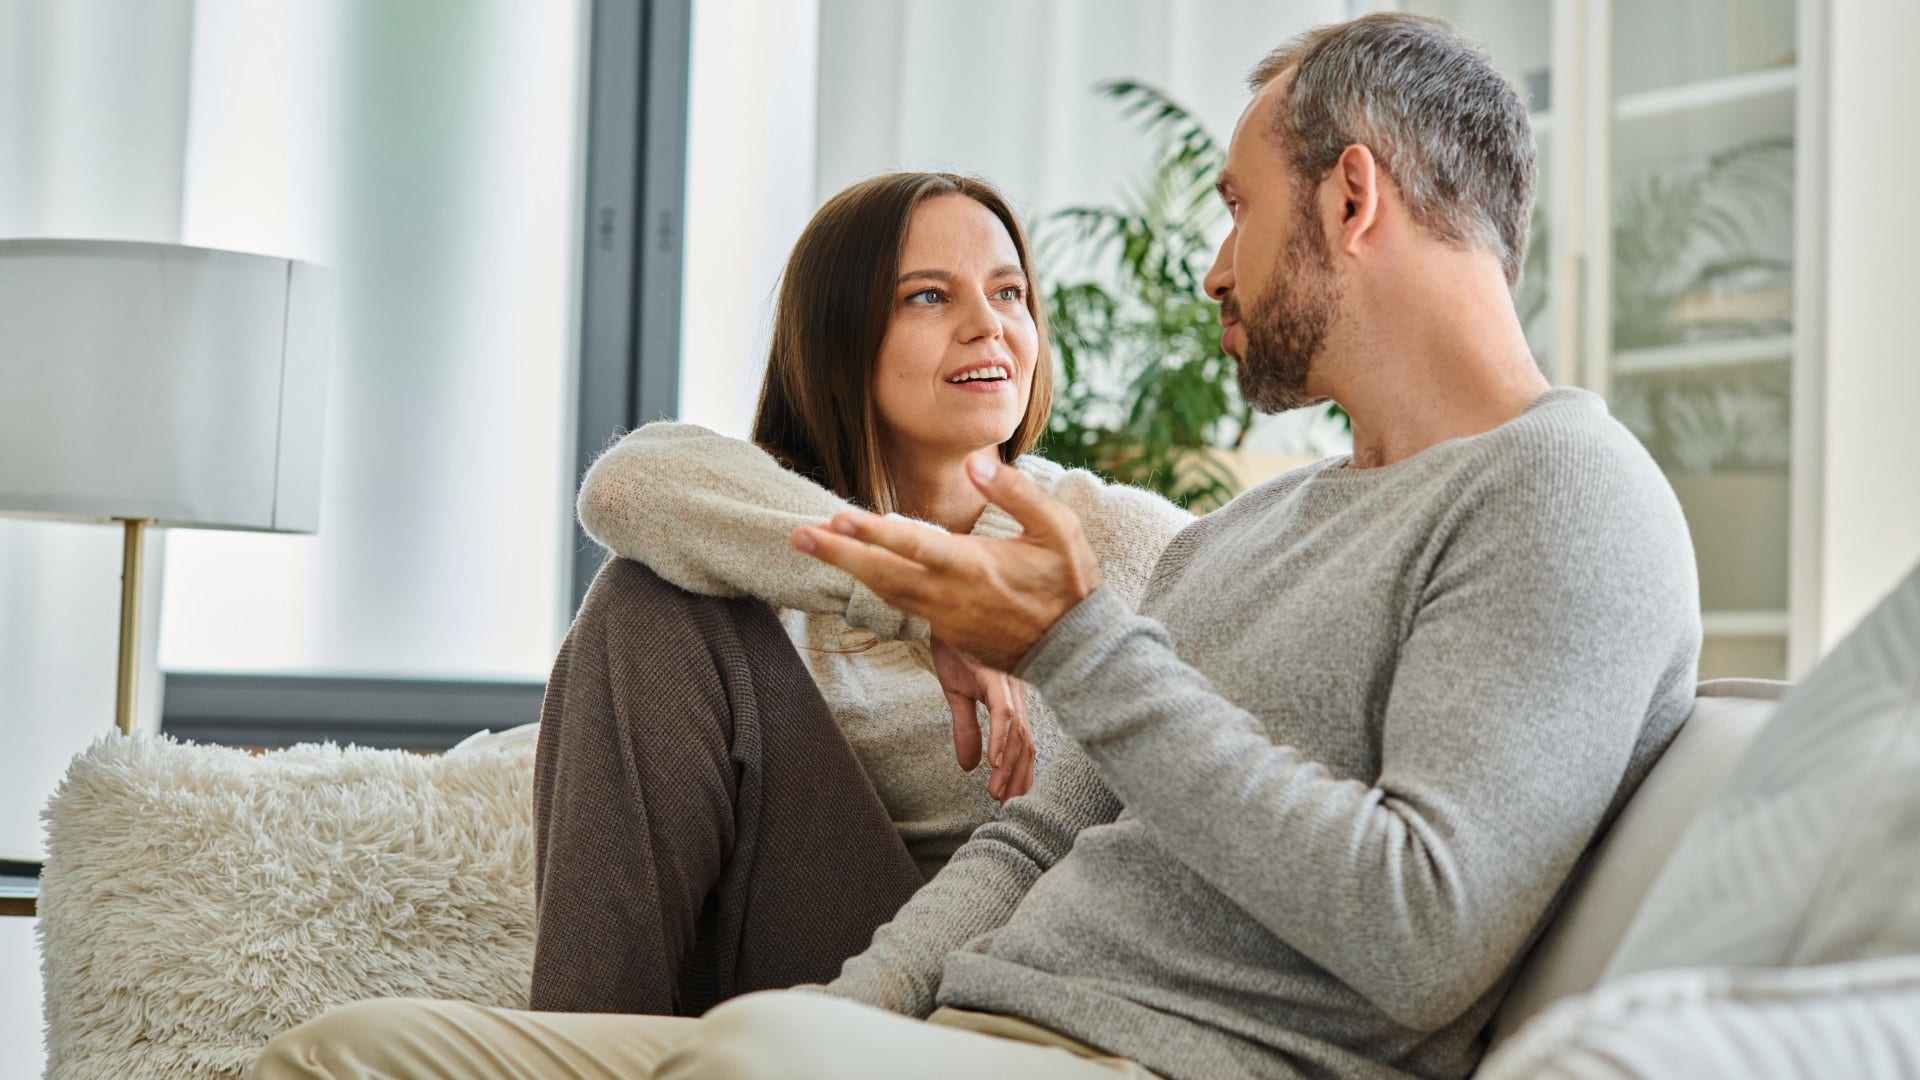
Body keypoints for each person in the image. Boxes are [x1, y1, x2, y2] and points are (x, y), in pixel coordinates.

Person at [251, 13, 1701, 1080]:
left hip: (1157, 1060)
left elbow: (1422, 929)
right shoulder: (1253, 532)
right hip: (964, 1022)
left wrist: (1074, 645)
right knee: (343, 1054)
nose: (1211, 266)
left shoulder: (1565, 496)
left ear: (1354, 197)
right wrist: (863, 1006)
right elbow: (1041, 835)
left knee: (754, 1068)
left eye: (1238, 210)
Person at [524, 170, 1192, 1018]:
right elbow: (625, 485)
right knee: (643, 601)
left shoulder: (1120, 538)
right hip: (804, 951)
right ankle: (581, 1051)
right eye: (927, 297)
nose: (987, 325)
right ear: (838, 351)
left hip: (1015, 978)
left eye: (1009, 292)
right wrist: (926, 600)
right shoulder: (768, 525)